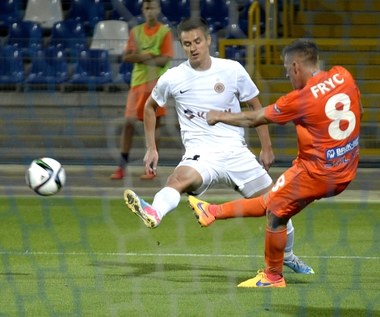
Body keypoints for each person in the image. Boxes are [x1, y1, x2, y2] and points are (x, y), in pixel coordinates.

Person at [123, 18, 314, 274]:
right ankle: (155, 212)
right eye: (187, 44)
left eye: (197, 42)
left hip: (237, 152)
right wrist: (151, 147)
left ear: (209, 40)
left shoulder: (232, 69)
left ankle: (288, 255)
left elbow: (256, 109)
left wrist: (266, 147)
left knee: (278, 206)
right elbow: (149, 106)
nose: (193, 48)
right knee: (178, 179)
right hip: (202, 155)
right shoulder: (173, 77)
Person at [189, 39, 362, 287]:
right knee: (272, 200)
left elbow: (255, 117)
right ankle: (213, 212)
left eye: (285, 69)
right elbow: (359, 108)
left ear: (295, 67)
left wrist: (219, 116)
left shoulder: (300, 99)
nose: (286, 75)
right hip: (345, 169)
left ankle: (273, 276)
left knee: (276, 215)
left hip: (316, 172)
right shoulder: (343, 76)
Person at [110, 0, 174, 180]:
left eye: (153, 7)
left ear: (159, 10)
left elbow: (164, 60)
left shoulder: (165, 32)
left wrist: (142, 57)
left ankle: (151, 170)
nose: (150, 11)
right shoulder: (135, 32)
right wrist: (148, 56)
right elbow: (127, 57)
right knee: (128, 124)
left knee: (154, 127)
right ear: (143, 11)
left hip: (156, 84)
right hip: (137, 84)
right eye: (146, 8)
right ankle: (122, 167)